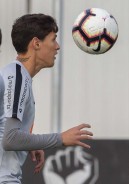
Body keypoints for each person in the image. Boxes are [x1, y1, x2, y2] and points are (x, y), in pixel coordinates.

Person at [0, 14, 93, 183]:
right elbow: (10, 139)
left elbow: (5, 129)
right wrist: (60, 139)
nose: (57, 47)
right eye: (53, 39)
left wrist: (31, 143)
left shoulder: (15, 75)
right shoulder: (17, 76)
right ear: (36, 43)